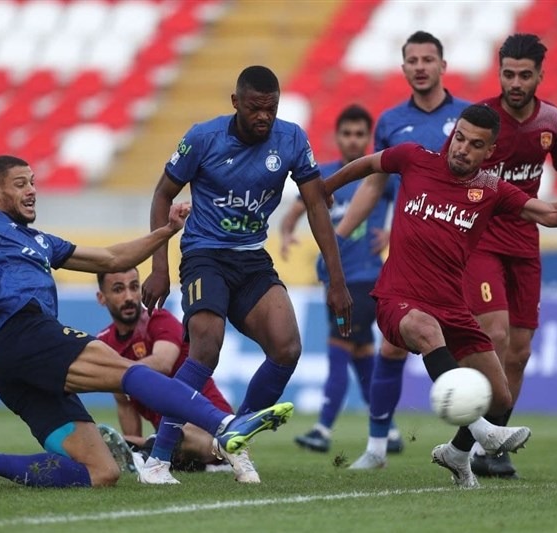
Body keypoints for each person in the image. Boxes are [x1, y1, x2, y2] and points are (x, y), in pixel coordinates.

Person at [0, 155, 293, 488]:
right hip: (25, 332)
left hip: (17, 369)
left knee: (100, 472)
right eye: (21, 184)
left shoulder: (40, 240)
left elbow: (112, 258)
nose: (32, 191)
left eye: (33, 182)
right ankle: (226, 425)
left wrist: (165, 232)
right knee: (125, 372)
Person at [323, 104, 557, 488]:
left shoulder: (490, 190)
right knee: (424, 329)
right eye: (459, 138)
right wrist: (326, 188)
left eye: (475, 145)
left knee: (500, 395)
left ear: (489, 152)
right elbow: (369, 165)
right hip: (399, 298)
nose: (462, 149)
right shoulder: (414, 158)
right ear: (452, 134)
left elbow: (551, 214)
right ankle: (482, 431)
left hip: (451, 305)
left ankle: (456, 453)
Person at [140, 65, 352, 484]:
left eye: (270, 109)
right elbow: (163, 193)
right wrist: (158, 267)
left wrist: (337, 279)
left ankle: (234, 438)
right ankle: (158, 459)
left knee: (287, 347)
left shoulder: (291, 138)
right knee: (206, 347)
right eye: (255, 108)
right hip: (204, 255)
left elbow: (315, 206)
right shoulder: (204, 137)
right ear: (236, 102)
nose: (263, 118)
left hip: (252, 257)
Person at [464, 34, 557, 479]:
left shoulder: (554, 122)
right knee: (496, 334)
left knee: (519, 352)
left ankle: (493, 446)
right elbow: (453, 173)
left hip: (525, 241)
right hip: (481, 239)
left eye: (525, 75)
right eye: (508, 73)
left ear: (540, 75)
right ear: (498, 71)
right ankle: (474, 435)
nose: (516, 82)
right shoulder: (480, 121)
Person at [334, 31, 472, 469]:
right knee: (392, 347)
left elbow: (484, 187)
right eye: (412, 59)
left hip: (461, 253)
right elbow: (375, 184)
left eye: (428, 59)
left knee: (478, 344)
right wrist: (338, 237)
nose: (420, 66)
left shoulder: (468, 118)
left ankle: (472, 443)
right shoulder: (391, 122)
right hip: (412, 257)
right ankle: (376, 448)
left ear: (442, 65)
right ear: (403, 68)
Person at [279, 104, 402, 454]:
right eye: (346, 133)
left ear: (368, 138)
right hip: (335, 279)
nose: (352, 139)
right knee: (363, 354)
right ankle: (388, 430)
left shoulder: (379, 176)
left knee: (339, 349)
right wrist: (287, 231)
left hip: (363, 280)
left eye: (359, 134)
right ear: (337, 137)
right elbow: (297, 209)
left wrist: (392, 231)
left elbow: (413, 201)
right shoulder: (324, 175)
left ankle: (322, 428)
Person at [94, 267, 259, 483]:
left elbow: (162, 363)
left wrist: (116, 374)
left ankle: (146, 452)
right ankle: (142, 453)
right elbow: (124, 404)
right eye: (118, 289)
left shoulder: (159, 318)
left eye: (134, 287)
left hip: (207, 428)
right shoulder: (105, 342)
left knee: (186, 437)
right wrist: (129, 445)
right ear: (101, 298)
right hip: (167, 437)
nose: (129, 297)